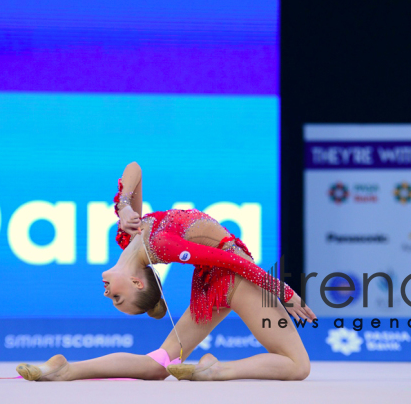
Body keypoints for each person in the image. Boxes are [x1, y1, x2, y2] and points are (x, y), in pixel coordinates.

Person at [16, 162, 315, 381]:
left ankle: (215, 369)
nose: (108, 294)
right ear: (137, 282)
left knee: (160, 363)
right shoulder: (161, 246)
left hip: (215, 281)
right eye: (117, 299)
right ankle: (68, 369)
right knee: (297, 365)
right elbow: (233, 262)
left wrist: (123, 207)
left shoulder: (127, 235)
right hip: (232, 278)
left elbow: (134, 168)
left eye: (115, 300)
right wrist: (285, 292)